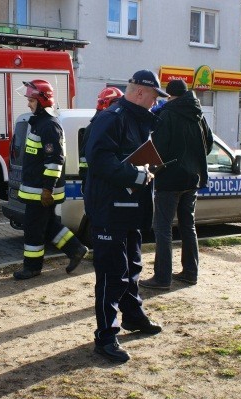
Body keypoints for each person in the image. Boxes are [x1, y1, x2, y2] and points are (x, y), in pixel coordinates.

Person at [84, 70, 167, 362]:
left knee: (131, 266)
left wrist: (146, 172)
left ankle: (133, 316)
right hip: (109, 210)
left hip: (129, 209)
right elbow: (98, 159)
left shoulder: (136, 120)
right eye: (155, 97)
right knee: (111, 273)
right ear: (141, 93)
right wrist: (135, 174)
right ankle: (106, 337)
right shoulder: (113, 117)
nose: (156, 103)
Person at [140, 79, 214, 290]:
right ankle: (190, 273)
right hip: (193, 178)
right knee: (187, 225)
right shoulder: (198, 114)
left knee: (163, 228)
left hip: (169, 179)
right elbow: (208, 144)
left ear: (170, 95)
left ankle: (162, 278)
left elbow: (158, 149)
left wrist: (150, 167)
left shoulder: (168, 114)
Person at [13, 79, 88, 280]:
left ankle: (32, 267)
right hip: (37, 190)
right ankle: (76, 249)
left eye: (31, 100)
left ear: (42, 101)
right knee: (48, 226)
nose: (28, 104)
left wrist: (47, 189)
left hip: (41, 192)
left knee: (33, 230)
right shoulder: (39, 123)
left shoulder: (49, 126)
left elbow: (55, 161)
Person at [78, 86, 124, 190]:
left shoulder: (108, 124)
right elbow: (85, 159)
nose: (119, 107)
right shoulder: (95, 127)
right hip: (95, 183)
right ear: (105, 104)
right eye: (116, 103)